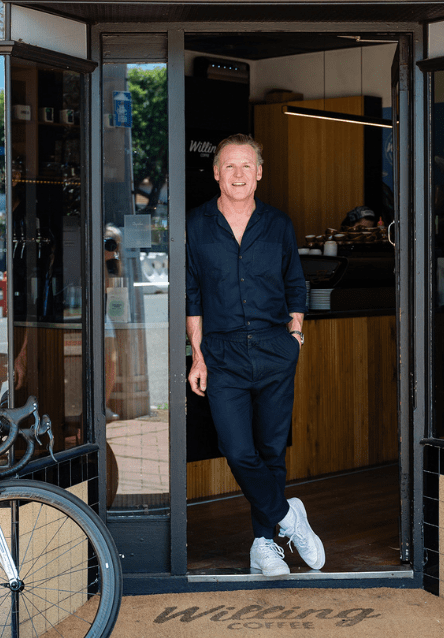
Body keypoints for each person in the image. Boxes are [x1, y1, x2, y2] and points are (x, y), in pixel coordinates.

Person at [186, 133, 325, 577]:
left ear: (260, 172)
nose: (239, 174)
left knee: (270, 450)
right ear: (215, 173)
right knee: (237, 448)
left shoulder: (279, 224)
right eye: (230, 166)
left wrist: (296, 334)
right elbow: (191, 295)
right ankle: (289, 517)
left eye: (247, 166)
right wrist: (198, 356)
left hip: (274, 349)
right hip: (221, 353)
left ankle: (264, 544)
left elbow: (296, 283)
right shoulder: (195, 224)